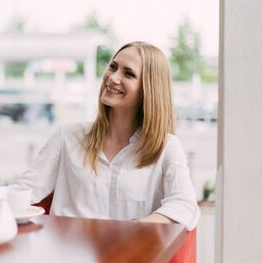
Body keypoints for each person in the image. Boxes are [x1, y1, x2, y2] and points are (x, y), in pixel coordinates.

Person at [12, 41, 200, 231]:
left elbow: (184, 206)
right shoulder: (67, 137)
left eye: (128, 74)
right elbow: (23, 192)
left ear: (148, 89)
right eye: (113, 67)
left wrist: (132, 231)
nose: (112, 78)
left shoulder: (166, 147)